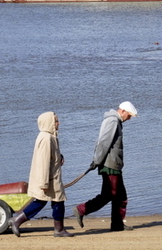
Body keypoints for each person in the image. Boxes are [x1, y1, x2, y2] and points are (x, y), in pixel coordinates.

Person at [73, 101, 137, 232]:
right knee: (109, 194)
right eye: (129, 115)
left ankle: (117, 225)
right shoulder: (112, 121)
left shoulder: (115, 121)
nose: (129, 118)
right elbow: (103, 142)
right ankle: (81, 209)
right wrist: (96, 161)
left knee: (121, 196)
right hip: (109, 165)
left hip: (114, 164)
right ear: (123, 111)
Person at [10, 111, 73, 237]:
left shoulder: (49, 137)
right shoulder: (46, 138)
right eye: (55, 121)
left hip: (51, 177)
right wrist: (43, 183)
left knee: (51, 201)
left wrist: (59, 157)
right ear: (48, 123)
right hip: (48, 178)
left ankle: (58, 229)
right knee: (53, 201)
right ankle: (17, 220)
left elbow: (50, 156)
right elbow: (43, 162)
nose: (58, 123)